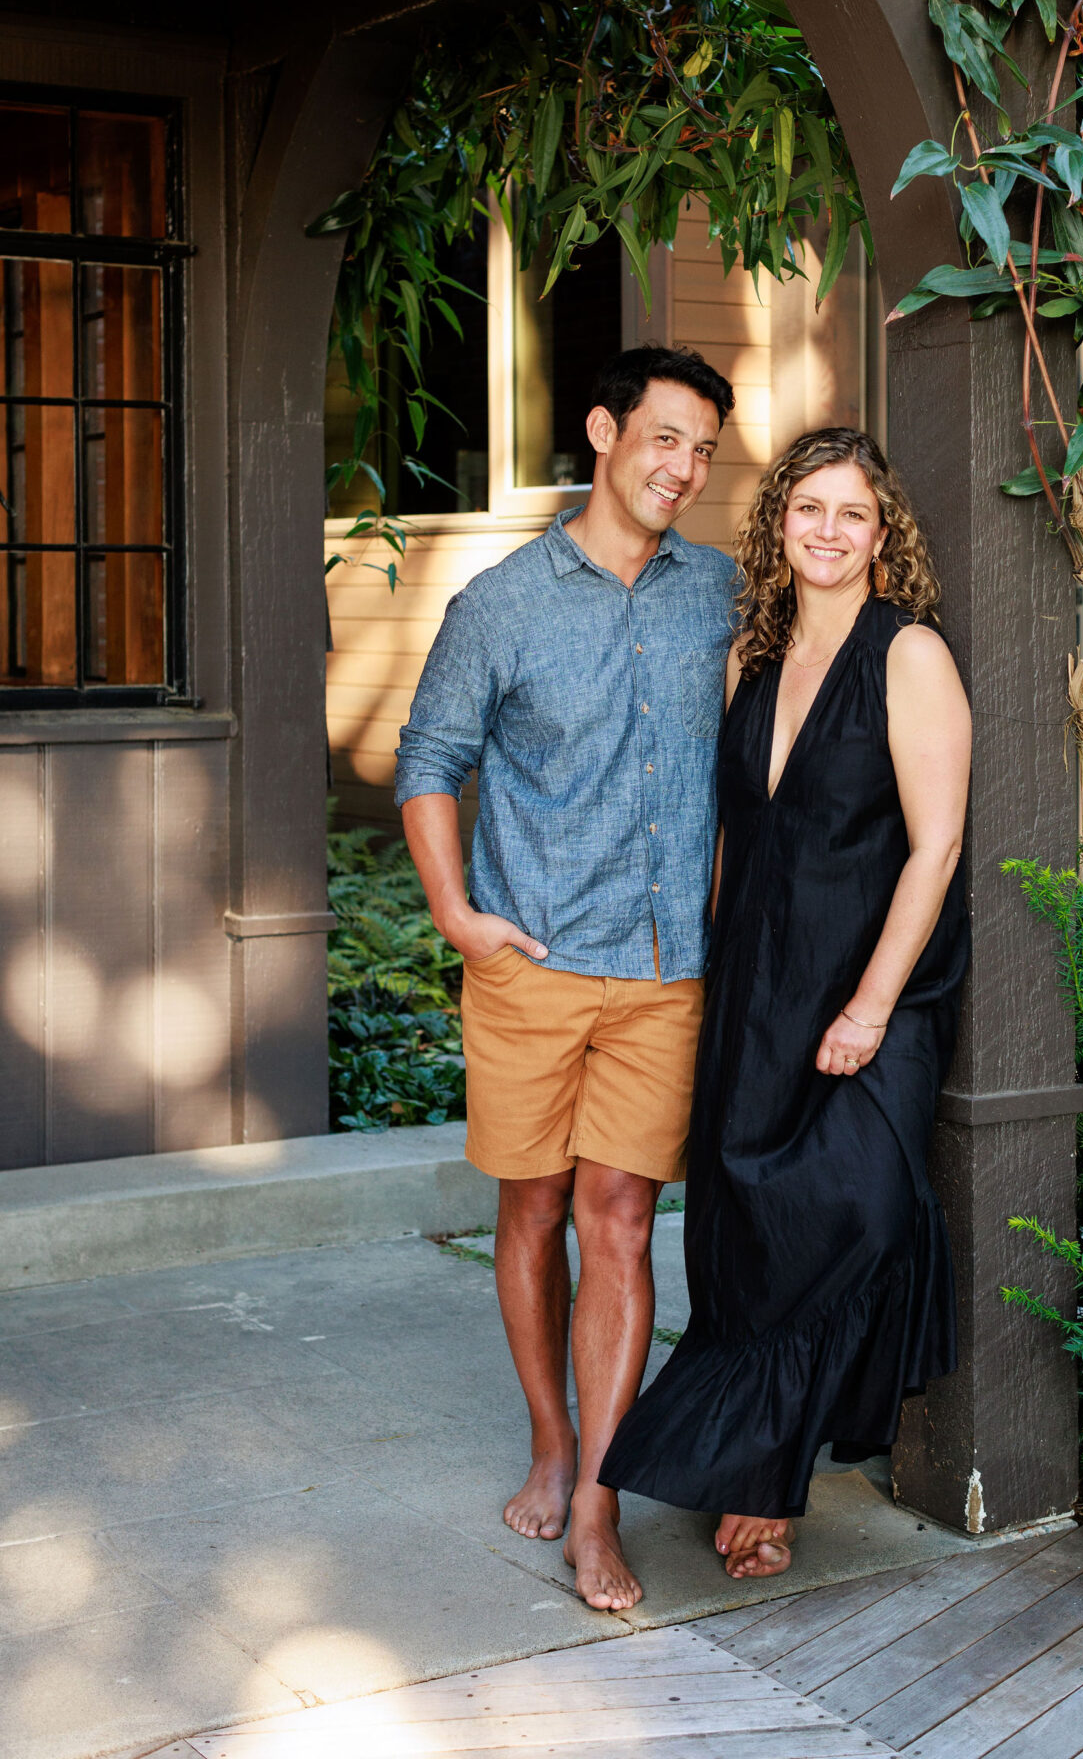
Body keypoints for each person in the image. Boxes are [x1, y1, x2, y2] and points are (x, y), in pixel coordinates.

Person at [395, 344, 736, 1613]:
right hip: (531, 964)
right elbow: (428, 759)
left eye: (701, 448)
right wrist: (458, 916)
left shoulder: (722, 593)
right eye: (663, 438)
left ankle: (596, 1493)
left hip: (665, 971)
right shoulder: (501, 603)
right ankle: (550, 1432)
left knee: (624, 1220)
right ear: (603, 431)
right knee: (533, 1213)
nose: (682, 468)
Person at [601, 426, 971, 1580]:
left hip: (871, 984)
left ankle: (773, 1456)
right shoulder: (749, 657)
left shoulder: (907, 654)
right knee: (747, 1229)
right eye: (806, 508)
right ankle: (758, 1477)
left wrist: (868, 1006)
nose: (825, 530)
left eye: (849, 512)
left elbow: (937, 843)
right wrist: (710, 977)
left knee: (854, 1211)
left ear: (880, 532)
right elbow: (730, 840)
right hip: (753, 980)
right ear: (778, 527)